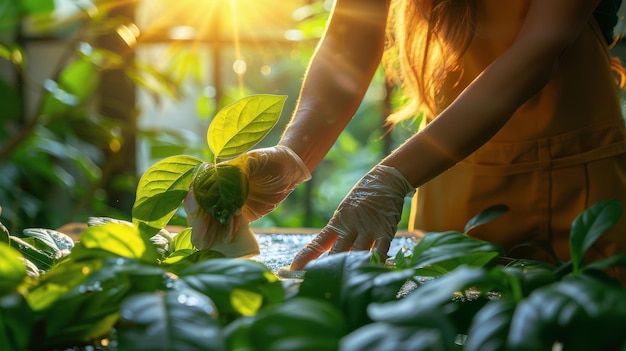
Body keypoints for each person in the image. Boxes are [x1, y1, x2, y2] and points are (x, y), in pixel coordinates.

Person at [189, 0, 626, 281]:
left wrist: (393, 175)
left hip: (570, 177)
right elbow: (352, 34)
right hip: (443, 170)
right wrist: (293, 154)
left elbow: (542, 45)